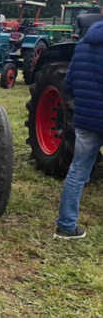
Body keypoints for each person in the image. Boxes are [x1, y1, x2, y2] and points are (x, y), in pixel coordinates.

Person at [55, 20, 103, 239]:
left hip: (86, 119)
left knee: (77, 171)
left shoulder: (83, 43)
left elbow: (70, 81)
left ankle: (66, 226)